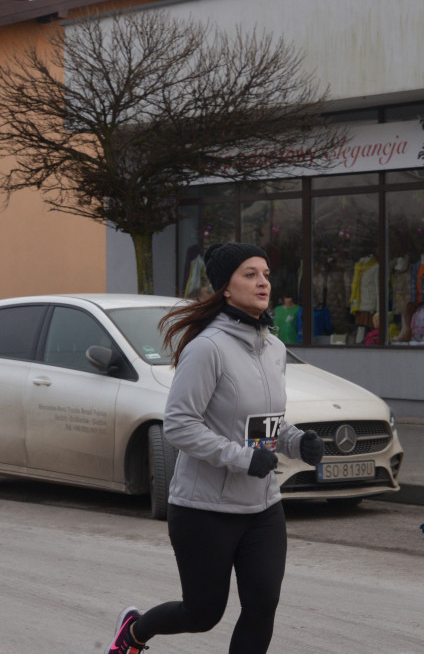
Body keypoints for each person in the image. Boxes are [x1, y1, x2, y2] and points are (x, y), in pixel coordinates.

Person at [106, 242, 325, 654]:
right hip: (205, 509)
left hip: (262, 507)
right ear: (225, 287)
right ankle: (134, 633)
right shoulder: (207, 348)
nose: (263, 282)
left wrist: (296, 441)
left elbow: (263, 424)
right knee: (202, 613)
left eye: (265, 273)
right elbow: (179, 425)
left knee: (262, 604)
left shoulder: (274, 348)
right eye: (249, 274)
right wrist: (243, 458)